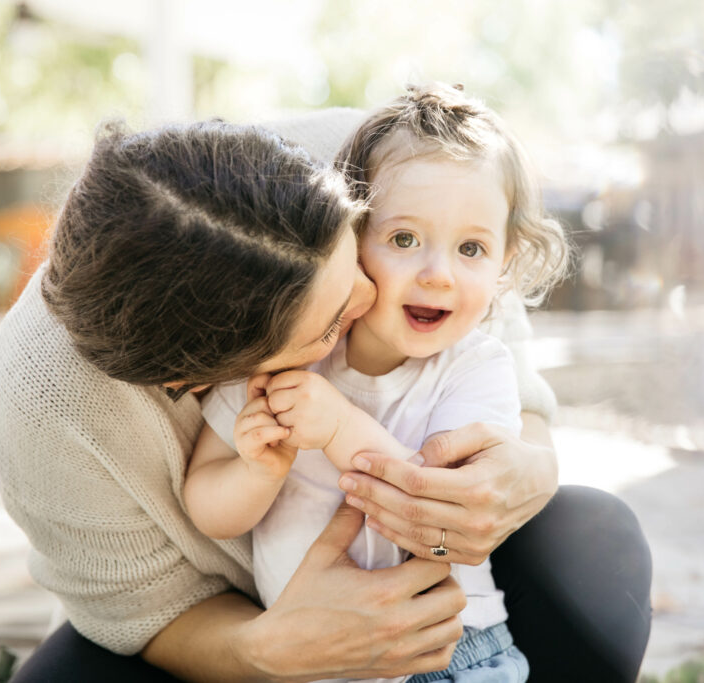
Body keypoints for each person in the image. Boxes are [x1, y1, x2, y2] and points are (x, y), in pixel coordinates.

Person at [0, 113, 651, 682]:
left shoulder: (381, 155)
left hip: (441, 614)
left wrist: (531, 459)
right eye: (329, 323)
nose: (370, 299)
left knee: (594, 544)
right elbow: (138, 605)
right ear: (213, 375)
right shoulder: (44, 408)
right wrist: (267, 649)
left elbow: (490, 305)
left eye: (355, 254)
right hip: (214, 616)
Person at [184, 83, 569, 682]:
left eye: (471, 248)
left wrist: (337, 427)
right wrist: (256, 472)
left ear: (504, 264)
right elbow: (206, 505)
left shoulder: (476, 368)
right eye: (404, 239)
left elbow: (439, 520)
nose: (437, 274)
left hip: (444, 653)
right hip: (308, 662)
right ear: (351, 235)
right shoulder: (287, 349)